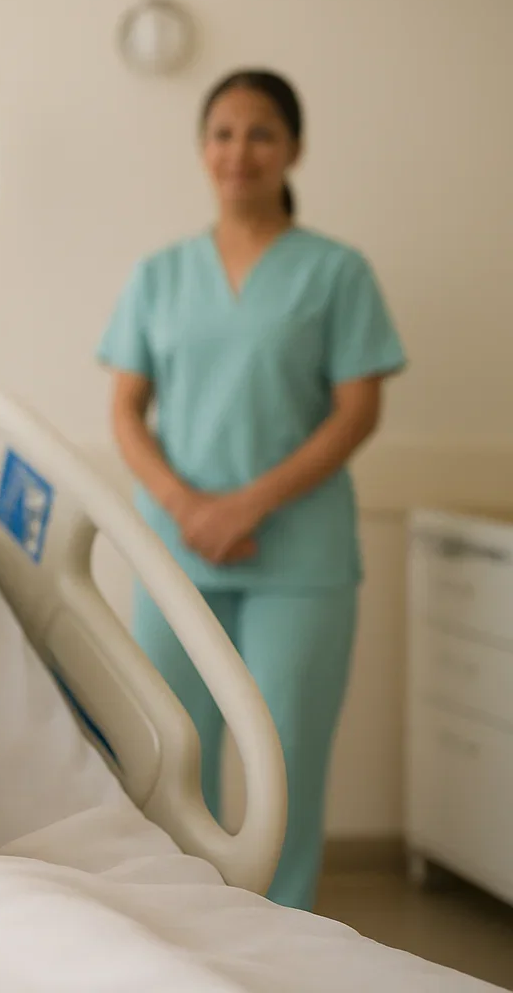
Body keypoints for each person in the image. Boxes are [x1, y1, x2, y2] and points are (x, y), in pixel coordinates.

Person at [97, 69, 406, 910]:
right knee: (167, 755)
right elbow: (126, 409)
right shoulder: (159, 275)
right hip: (177, 554)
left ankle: (284, 937)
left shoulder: (336, 274)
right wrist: (190, 504)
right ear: (203, 149)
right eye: (223, 133)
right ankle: (180, 926)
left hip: (297, 555)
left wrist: (247, 504)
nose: (240, 151)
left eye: (261, 132)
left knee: (285, 766)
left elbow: (357, 409)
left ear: (294, 149)